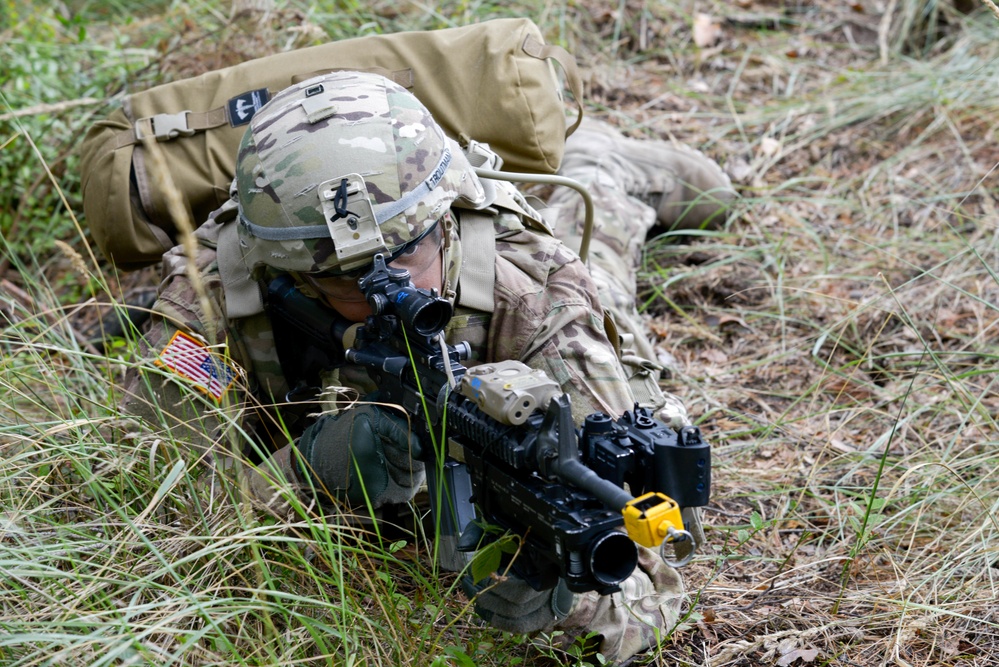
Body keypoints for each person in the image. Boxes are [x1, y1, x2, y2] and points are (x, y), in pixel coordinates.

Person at [119, 70, 735, 664]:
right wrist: (310, 471)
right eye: (346, 280)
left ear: (446, 220)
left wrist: (554, 601)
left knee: (598, 249)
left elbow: (660, 578)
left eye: (407, 252)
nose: (388, 288)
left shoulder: (534, 293)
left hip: (535, 294)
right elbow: (152, 518)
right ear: (289, 272)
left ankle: (600, 158)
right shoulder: (218, 292)